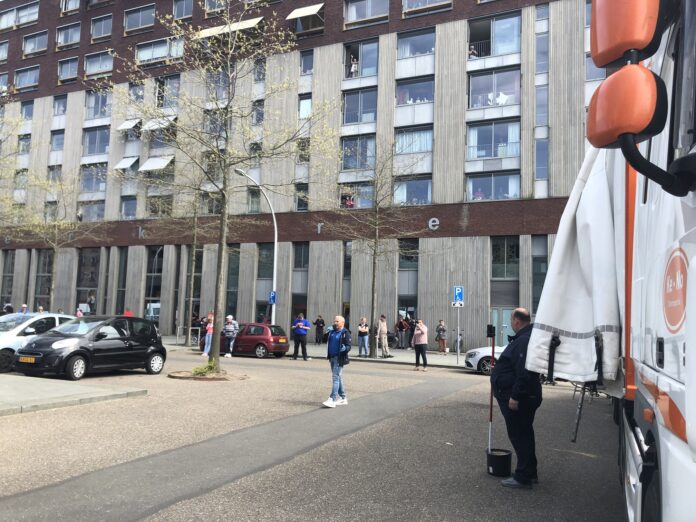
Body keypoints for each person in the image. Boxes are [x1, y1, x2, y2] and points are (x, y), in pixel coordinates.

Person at [490, 308, 542, 489]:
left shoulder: (524, 341)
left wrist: (515, 396)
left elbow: (524, 372)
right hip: (523, 395)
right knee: (525, 434)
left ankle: (523, 477)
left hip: (519, 398)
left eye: (511, 319)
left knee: (520, 436)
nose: (511, 323)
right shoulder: (526, 338)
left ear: (516, 321)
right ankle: (529, 472)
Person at [322, 315, 352, 408]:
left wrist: (345, 348)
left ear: (342, 323)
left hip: (339, 358)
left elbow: (349, 345)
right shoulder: (332, 331)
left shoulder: (345, 333)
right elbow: (323, 340)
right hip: (331, 357)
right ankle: (343, 398)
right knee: (338, 377)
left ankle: (332, 399)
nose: (335, 323)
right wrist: (327, 332)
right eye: (335, 321)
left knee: (335, 378)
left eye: (337, 321)